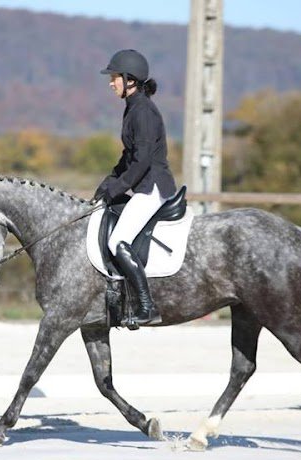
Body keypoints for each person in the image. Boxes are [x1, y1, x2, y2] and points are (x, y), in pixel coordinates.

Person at [93, 49, 178, 326]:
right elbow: (128, 156)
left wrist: (116, 188)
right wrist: (109, 182)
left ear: (130, 80)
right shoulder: (133, 108)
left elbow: (141, 162)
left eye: (115, 77)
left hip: (153, 186)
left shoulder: (143, 112)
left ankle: (146, 306)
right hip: (144, 184)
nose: (111, 83)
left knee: (117, 241)